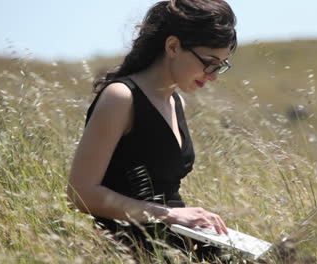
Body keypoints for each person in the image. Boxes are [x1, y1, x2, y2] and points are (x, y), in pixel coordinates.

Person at [66, 0, 237, 262]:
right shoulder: (121, 97)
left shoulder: (174, 100)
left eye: (221, 65)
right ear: (173, 46)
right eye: (209, 62)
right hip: (129, 251)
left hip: (175, 247)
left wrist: (195, 223)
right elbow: (81, 193)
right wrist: (170, 215)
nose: (213, 75)